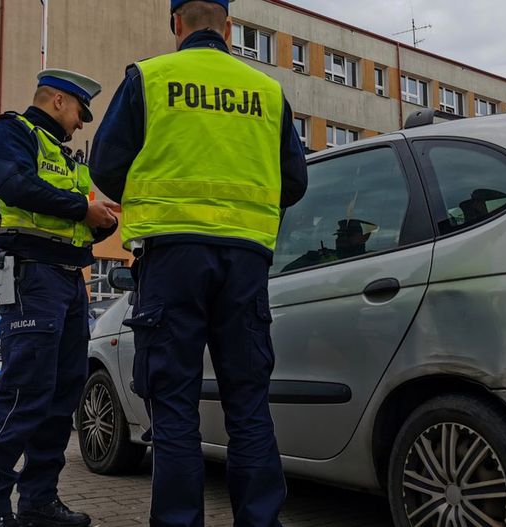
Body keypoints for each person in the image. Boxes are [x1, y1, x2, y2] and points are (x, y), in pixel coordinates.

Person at [89, 1, 308, 524]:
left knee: (174, 409)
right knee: (249, 406)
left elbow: (105, 165)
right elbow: (295, 182)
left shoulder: (149, 78)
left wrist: (153, 198)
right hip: (245, 260)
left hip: (172, 259)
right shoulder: (267, 90)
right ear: (228, 27)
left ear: (176, 23)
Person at [0, 69, 118, 527]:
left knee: (61, 395)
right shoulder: (10, 133)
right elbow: (15, 185)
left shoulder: (70, 159)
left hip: (70, 279)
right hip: (31, 274)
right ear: (57, 101)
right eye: (79, 112)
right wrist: (83, 208)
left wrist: (103, 220)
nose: (81, 123)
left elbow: (86, 219)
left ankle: (38, 502)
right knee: (24, 391)